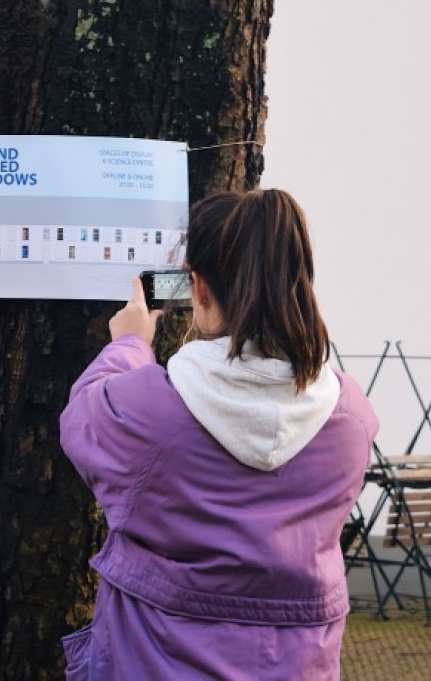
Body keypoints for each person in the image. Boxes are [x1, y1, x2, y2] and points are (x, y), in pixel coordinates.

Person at [59, 189, 377, 680]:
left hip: (155, 661)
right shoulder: (350, 417)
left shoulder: (150, 410)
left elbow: (82, 420)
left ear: (198, 288)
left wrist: (128, 345)